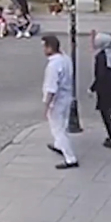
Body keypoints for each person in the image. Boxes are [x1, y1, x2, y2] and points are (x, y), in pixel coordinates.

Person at [42, 35, 78, 169]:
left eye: (45, 47)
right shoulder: (66, 59)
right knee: (62, 124)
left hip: (57, 101)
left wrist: (46, 105)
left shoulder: (53, 66)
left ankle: (70, 158)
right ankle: (59, 146)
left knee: (58, 129)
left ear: (50, 48)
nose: (43, 50)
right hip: (66, 97)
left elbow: (51, 88)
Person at [89, 32, 111, 148]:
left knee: (106, 113)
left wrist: (93, 88)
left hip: (105, 89)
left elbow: (100, 75)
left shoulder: (101, 57)